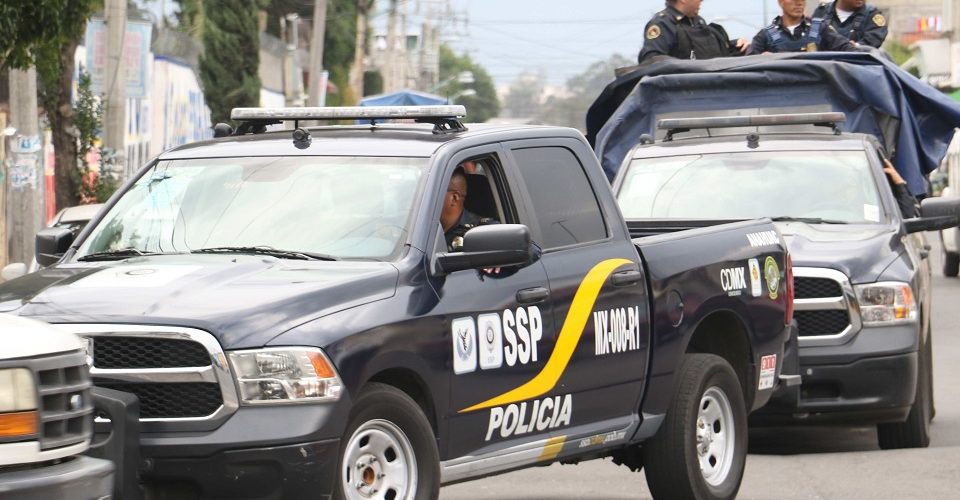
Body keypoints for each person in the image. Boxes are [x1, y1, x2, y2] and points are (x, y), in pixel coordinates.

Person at [638, 0, 750, 64]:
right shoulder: (663, 24)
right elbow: (651, 60)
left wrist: (737, 46)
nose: (701, 0)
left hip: (708, 89)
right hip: (677, 93)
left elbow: (707, 54)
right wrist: (685, 66)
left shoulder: (698, 22)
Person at [747, 0, 866, 54]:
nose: (799, 3)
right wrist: (762, 59)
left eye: (802, 0)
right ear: (781, 2)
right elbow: (747, 65)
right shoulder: (765, 35)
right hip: (780, 92)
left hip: (815, 90)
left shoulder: (820, 28)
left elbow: (848, 49)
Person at [441, 167, 497, 251]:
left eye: (433, 193)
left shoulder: (484, 232)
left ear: (454, 198)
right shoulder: (423, 229)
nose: (423, 199)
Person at [812, 0, 888, 48]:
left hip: (854, 65)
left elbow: (874, 39)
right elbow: (811, 39)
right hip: (823, 64)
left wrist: (856, 47)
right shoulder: (822, 11)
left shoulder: (872, 14)